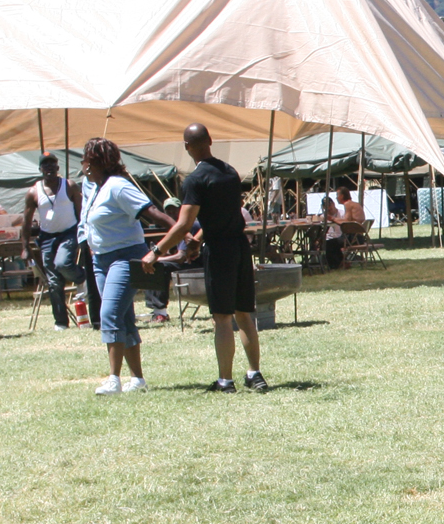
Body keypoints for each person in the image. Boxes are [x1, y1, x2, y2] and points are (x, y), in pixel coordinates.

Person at [144, 124, 270, 393]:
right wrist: (198, 240)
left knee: (222, 317)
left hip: (219, 251)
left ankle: (225, 381)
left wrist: (155, 252)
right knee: (244, 314)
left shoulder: (195, 180)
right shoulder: (230, 172)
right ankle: (255, 374)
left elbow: (182, 224)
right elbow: (226, 215)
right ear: (210, 141)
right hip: (240, 247)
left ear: (186, 147)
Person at [79, 138, 174, 395]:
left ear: (94, 162)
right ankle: (138, 379)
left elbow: (152, 213)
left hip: (125, 257)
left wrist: (183, 233)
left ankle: (113, 379)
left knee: (109, 314)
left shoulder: (117, 186)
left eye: (85, 159)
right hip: (101, 260)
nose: (82, 165)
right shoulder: (96, 188)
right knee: (124, 316)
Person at [20, 153, 84, 330]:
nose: (49, 168)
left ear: (57, 167)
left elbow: (81, 211)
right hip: (47, 237)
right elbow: (26, 221)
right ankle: (61, 322)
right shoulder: (34, 192)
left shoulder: (69, 186)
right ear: (40, 169)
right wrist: (25, 246)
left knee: (62, 264)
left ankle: (82, 277)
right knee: (54, 282)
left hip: (68, 233)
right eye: (45, 165)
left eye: (52, 164)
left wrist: (83, 234)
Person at [321, 188, 365, 271]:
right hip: (360, 236)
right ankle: (342, 262)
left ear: (341, 196)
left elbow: (346, 222)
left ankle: (336, 265)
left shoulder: (347, 204)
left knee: (329, 243)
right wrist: (333, 219)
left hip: (353, 238)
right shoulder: (355, 204)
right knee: (334, 242)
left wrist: (332, 219)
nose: (336, 198)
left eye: (337, 195)